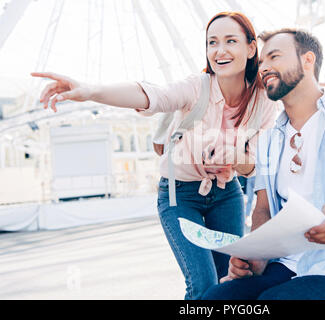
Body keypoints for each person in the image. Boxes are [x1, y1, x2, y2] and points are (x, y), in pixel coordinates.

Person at [31, 12, 278, 300]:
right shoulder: (197, 87)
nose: (219, 50)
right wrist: (89, 91)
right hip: (179, 195)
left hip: (227, 194)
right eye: (212, 42)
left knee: (230, 283)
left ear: (250, 48)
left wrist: (235, 156)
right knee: (203, 285)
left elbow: (253, 167)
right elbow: (153, 95)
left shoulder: (262, 100)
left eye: (230, 41)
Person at [202, 28, 325, 300]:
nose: (264, 68)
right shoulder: (268, 141)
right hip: (288, 263)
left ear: (307, 60)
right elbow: (263, 210)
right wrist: (257, 255)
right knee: (214, 299)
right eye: (261, 62)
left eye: (274, 56)